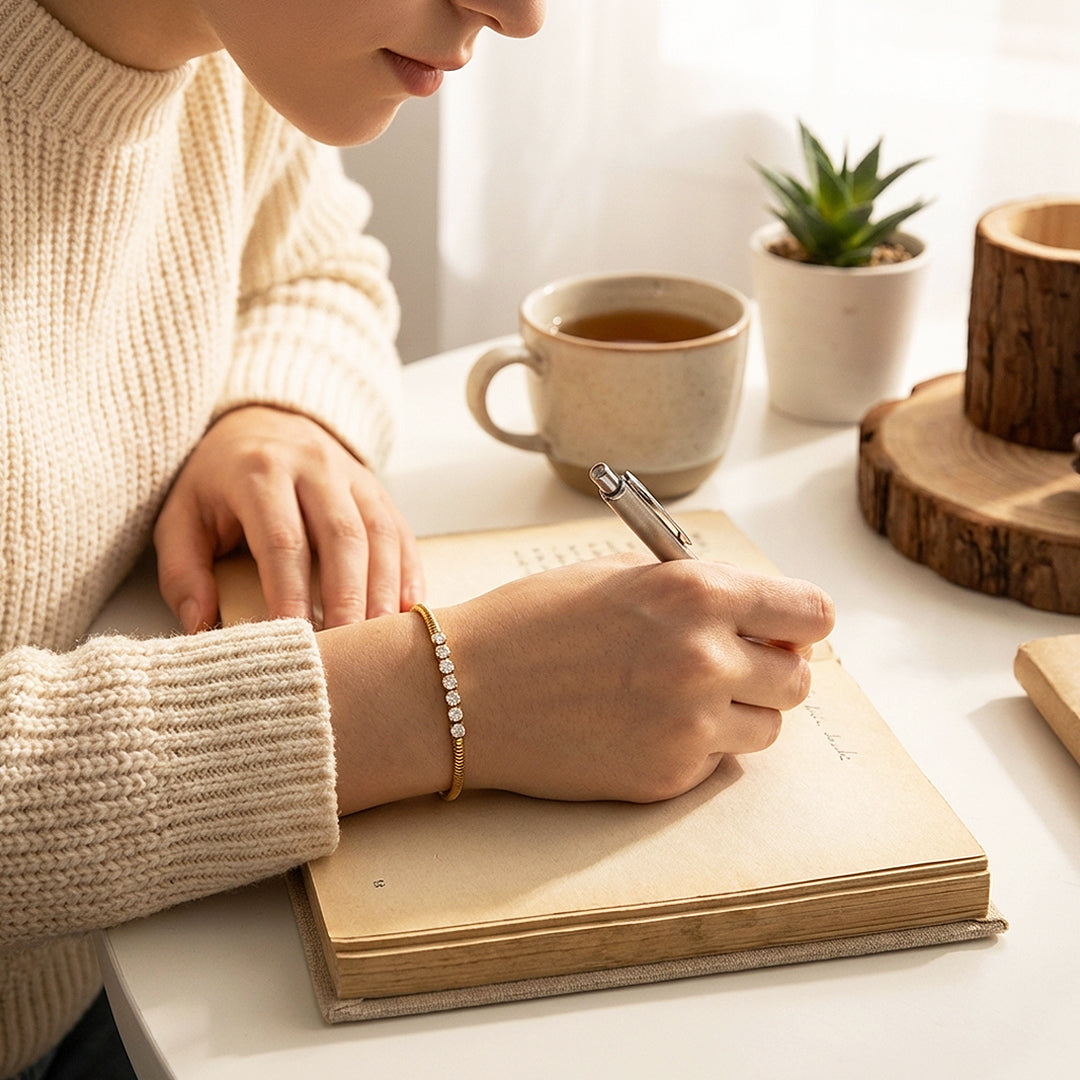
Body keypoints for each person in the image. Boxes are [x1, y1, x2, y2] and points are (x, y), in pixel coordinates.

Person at [0, 2, 836, 1077]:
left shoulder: (214, 59)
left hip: (125, 966)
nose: (522, 14)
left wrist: (276, 412)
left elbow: (317, 269)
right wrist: (442, 697)